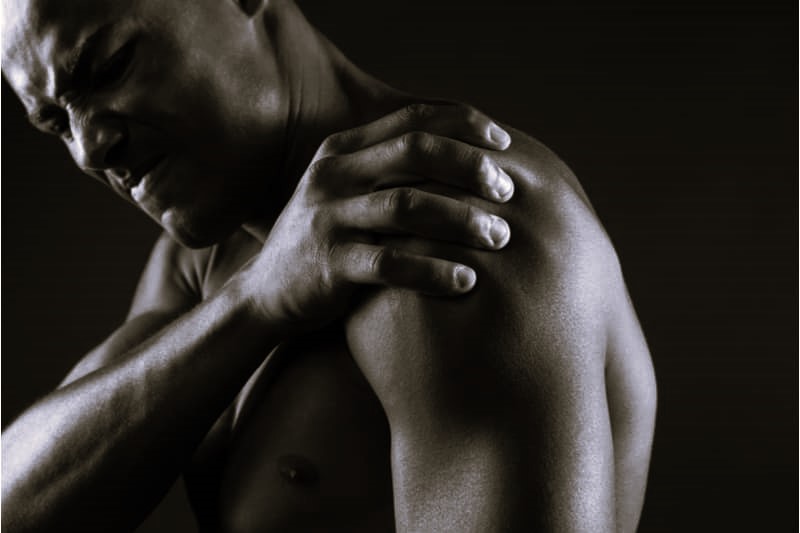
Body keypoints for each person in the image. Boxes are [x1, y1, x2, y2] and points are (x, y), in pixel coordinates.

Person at [1, 0, 657, 531]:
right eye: (56, 122)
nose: (90, 148)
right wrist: (256, 302)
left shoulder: (443, 223)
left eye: (111, 65)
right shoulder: (204, 260)